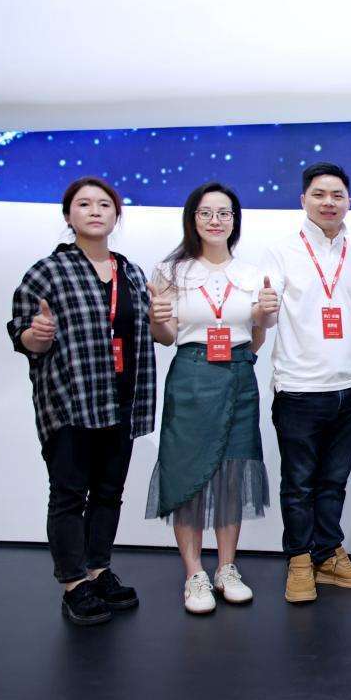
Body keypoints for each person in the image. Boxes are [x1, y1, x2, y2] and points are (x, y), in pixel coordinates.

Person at [7, 176, 157, 626]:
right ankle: (74, 584)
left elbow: (144, 330)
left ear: (116, 215)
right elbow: (24, 335)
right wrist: (36, 335)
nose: (95, 211)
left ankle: (97, 569)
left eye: (104, 204)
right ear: (68, 215)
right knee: (70, 495)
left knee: (109, 493)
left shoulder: (131, 272)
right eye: (84, 204)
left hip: (122, 399)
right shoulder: (47, 272)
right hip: (71, 402)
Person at [146, 182, 277, 614]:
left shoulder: (251, 274)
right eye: (206, 213)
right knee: (187, 471)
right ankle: (194, 573)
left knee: (232, 472)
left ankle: (226, 568)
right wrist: (156, 318)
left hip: (238, 374)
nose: (215, 221)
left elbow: (255, 338)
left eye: (224, 213)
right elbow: (166, 337)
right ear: (193, 219)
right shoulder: (171, 272)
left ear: (235, 220)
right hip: (192, 374)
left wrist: (263, 316)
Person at [263, 162, 351, 604]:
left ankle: (328, 555)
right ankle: (298, 561)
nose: (328, 202)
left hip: (350, 388)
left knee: (334, 480)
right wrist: (260, 311)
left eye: (337, 195)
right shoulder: (281, 252)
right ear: (303, 200)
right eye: (319, 194)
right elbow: (267, 316)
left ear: (349, 201)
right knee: (298, 484)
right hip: (298, 388)